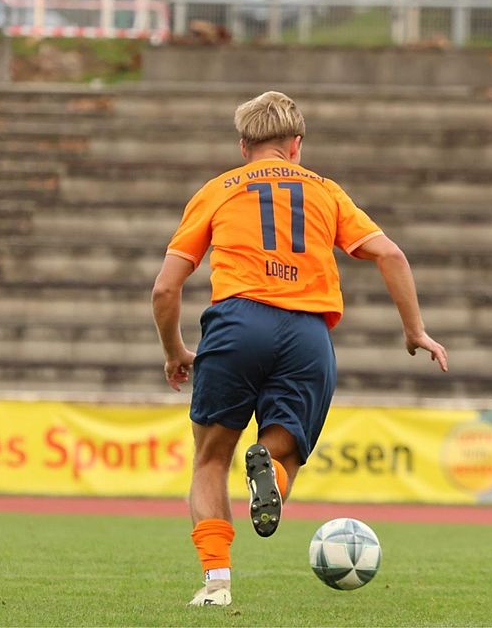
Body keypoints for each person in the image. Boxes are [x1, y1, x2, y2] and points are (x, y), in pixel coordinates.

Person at [151, 91, 448, 607]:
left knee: (211, 459)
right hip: (307, 333)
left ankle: (217, 583)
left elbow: (165, 289)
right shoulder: (327, 192)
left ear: (245, 146)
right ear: (296, 145)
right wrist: (414, 330)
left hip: (238, 324)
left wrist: (175, 349)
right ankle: (272, 472)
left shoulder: (218, 190)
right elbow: (390, 253)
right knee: (283, 450)